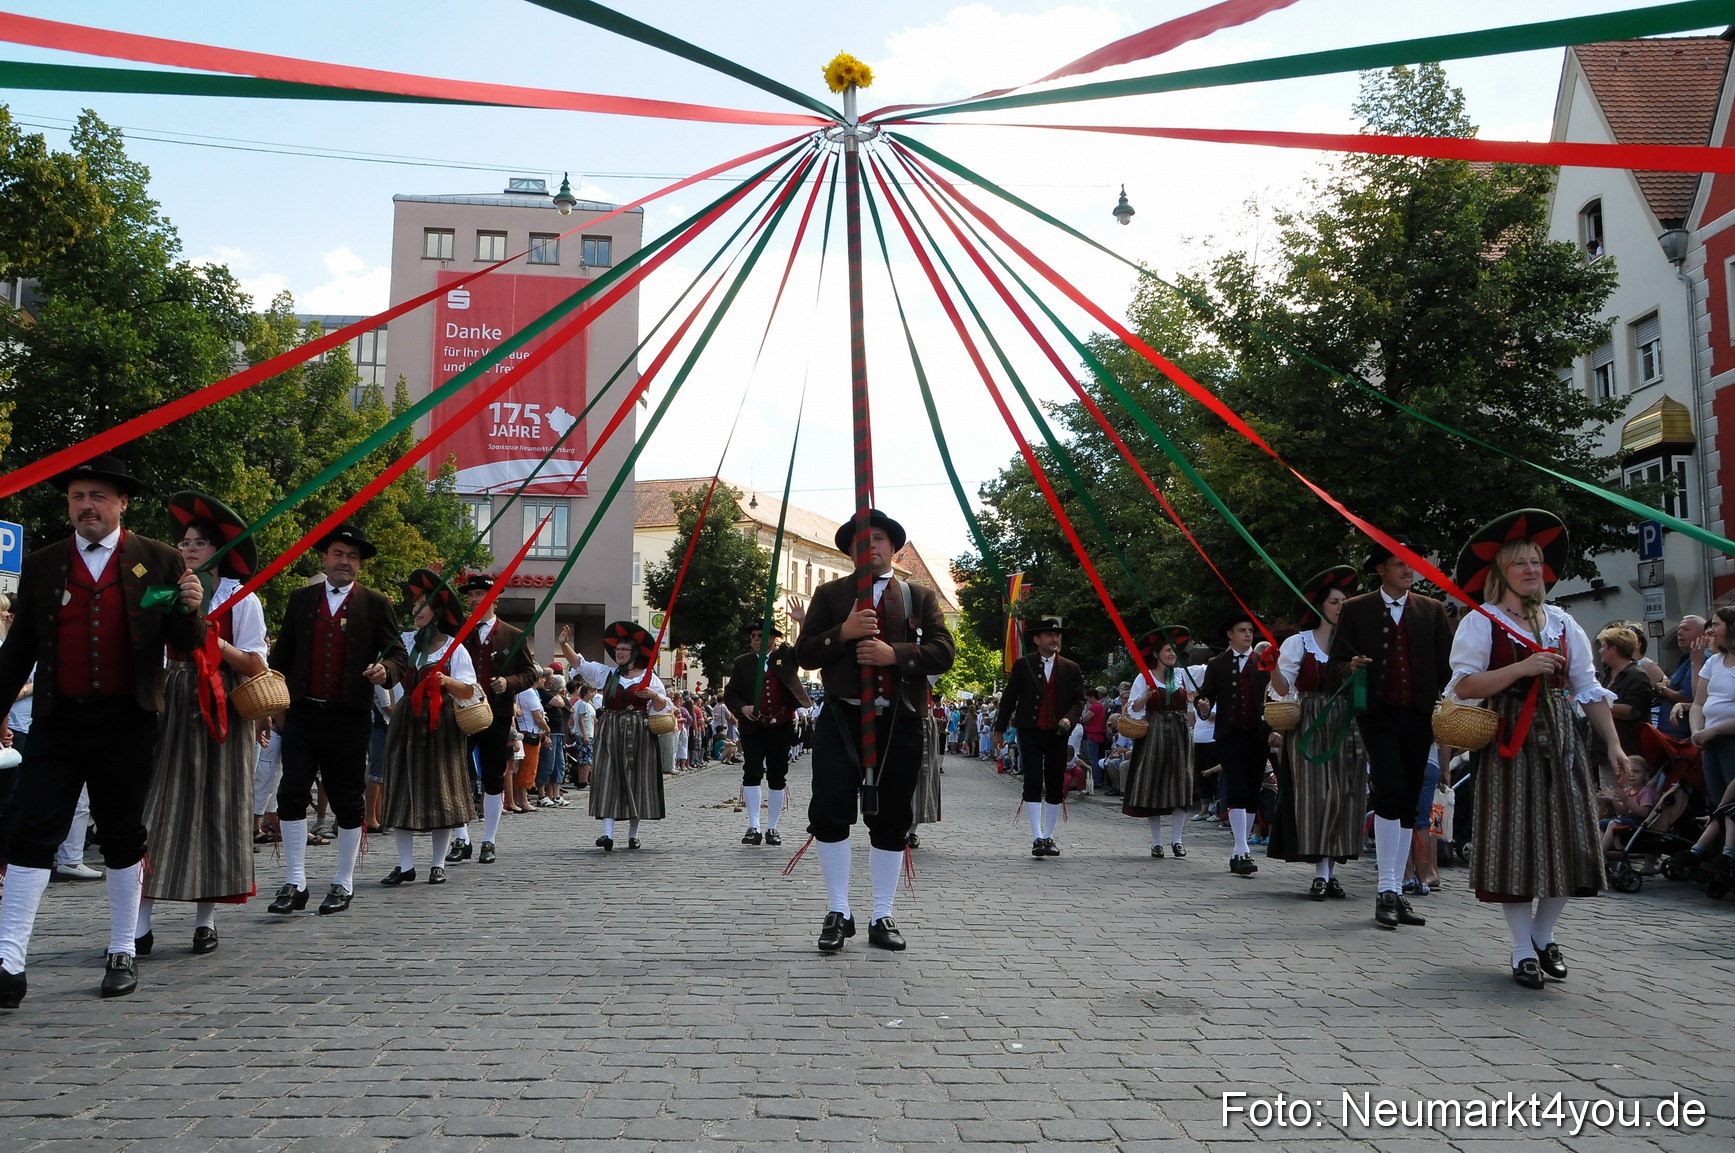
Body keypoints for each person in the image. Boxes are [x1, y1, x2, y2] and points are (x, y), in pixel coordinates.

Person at [0, 455, 204, 1006]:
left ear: (121, 503)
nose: (86, 506)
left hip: (126, 720)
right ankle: (8, 960)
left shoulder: (158, 562)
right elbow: (19, 649)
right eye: (77, 497)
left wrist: (190, 610)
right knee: (31, 829)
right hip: (58, 720)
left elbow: (184, 644)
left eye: (97, 496)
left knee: (120, 833)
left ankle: (122, 947)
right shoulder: (44, 564)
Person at [1448, 509, 1623, 989]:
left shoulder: (1563, 622)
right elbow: (1464, 686)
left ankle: (1545, 935)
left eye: (1537, 562)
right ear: (1500, 572)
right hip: (1509, 743)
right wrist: (1522, 669)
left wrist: (1614, 745)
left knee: (1571, 842)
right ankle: (1522, 947)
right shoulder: (1483, 621)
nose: (1532, 570)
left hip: (1562, 744)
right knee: (1515, 844)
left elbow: (1587, 689)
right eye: (1521, 563)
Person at [795, 510, 954, 953]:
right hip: (842, 721)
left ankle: (882, 912)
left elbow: (943, 652)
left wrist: (894, 654)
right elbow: (805, 653)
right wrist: (842, 633)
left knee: (891, 818)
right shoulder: (831, 594)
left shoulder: (918, 596)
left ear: (892, 546)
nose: (872, 547)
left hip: (899, 719)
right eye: (862, 542)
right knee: (829, 810)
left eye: (880, 539)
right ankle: (838, 909)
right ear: (850, 551)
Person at [136, 492, 270, 957]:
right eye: (185, 541)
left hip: (224, 706)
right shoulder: (162, 591)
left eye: (198, 542)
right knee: (158, 807)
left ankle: (205, 921)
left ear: (218, 551)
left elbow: (256, 663)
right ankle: (138, 924)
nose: (188, 548)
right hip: (171, 698)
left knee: (219, 805)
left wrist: (214, 643)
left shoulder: (241, 599)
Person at [266, 524, 408, 917]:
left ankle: (343, 881)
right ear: (325, 558)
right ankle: (295, 881)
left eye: (352, 557)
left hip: (349, 715)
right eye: (338, 554)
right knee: (291, 791)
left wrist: (386, 670)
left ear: (359, 565)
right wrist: (274, 709)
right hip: (302, 713)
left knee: (347, 797)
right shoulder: (301, 600)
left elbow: (398, 654)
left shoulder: (376, 603)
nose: (344, 562)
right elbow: (281, 659)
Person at [1329, 536, 1452, 929]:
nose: (1407, 569)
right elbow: (1335, 664)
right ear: (1380, 569)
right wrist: (1352, 667)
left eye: (1410, 563)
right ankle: (1385, 888)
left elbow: (1448, 668)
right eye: (1399, 563)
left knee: (1408, 793)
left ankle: (1396, 890)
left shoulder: (1431, 610)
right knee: (1389, 787)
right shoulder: (1356, 609)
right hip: (1378, 713)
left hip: (1419, 714)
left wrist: (1456, 700)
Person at [1266, 567, 1366, 899]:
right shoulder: (1300, 642)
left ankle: (1331, 871)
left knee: (1344, 796)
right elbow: (1282, 688)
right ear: (1320, 606)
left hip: (1348, 723)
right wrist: (1271, 664)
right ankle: (1321, 872)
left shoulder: (1355, 643)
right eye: (1335, 601)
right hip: (1311, 722)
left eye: (1345, 600)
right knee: (1318, 796)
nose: (1341, 605)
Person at [379, 571, 478, 887]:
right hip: (406, 720)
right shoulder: (404, 642)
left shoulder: (454, 648)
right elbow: (390, 672)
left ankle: (438, 864)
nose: (416, 609)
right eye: (415, 604)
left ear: (437, 611)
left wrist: (448, 682)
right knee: (401, 789)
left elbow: (470, 691)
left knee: (442, 791)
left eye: (423, 604)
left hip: (442, 724)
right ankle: (405, 865)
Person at [562, 621, 673, 850]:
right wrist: (563, 644)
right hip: (610, 729)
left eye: (624, 649)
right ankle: (607, 834)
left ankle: (633, 834)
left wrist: (654, 695)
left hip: (639, 731)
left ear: (634, 653)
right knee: (607, 776)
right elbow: (580, 664)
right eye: (617, 649)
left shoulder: (648, 677)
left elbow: (664, 707)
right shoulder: (608, 673)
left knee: (637, 779)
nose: (618, 652)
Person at [450, 576, 536, 866]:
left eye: (480, 594)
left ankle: (489, 839)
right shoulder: (458, 633)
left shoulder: (512, 635)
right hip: (461, 712)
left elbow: (530, 673)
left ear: (493, 599)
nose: (474, 599)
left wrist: (508, 682)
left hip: (496, 714)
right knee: (456, 773)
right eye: (471, 595)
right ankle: (461, 837)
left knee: (493, 776)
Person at [992, 617, 1085, 858]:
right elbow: (1009, 698)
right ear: (1037, 639)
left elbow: (1079, 700)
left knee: (1055, 783)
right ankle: (1036, 837)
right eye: (1049, 635)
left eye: (1057, 636)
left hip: (1058, 732)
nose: (1055, 639)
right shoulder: (1024, 665)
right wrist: (999, 730)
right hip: (1030, 730)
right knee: (1032, 781)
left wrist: (1069, 718)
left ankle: (1049, 836)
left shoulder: (1071, 667)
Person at [1196, 613, 1274, 877]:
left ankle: (1239, 851)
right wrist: (1203, 705)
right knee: (1237, 788)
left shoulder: (1263, 662)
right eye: (1242, 630)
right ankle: (1242, 849)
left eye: (1250, 630)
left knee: (1252, 791)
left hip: (1258, 735)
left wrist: (1275, 729)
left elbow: (1275, 695)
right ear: (1230, 634)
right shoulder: (1217, 663)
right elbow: (1206, 694)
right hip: (1229, 735)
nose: (1248, 635)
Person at [722, 623, 812, 847]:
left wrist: (801, 621)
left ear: (772, 639)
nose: (755, 640)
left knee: (777, 775)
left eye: (760, 636)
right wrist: (742, 708)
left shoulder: (785, 657)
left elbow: (804, 650)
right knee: (751, 771)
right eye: (752, 636)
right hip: (753, 727)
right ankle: (754, 826)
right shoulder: (742, 663)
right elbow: (730, 693)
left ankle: (772, 826)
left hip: (780, 725)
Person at [1121, 628, 1196, 859]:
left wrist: (1194, 705)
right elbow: (1132, 710)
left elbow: (1191, 715)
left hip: (1179, 734)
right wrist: (1145, 696)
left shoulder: (1183, 676)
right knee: (1153, 786)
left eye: (1174, 650)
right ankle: (1156, 842)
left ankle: (1177, 840)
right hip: (1154, 735)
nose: (1173, 654)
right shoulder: (1145, 676)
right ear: (1157, 653)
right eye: (1168, 650)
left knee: (1180, 785)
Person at [1688, 604, 1735, 809]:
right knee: (1717, 800)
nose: (1711, 630)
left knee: (1731, 801)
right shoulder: (1714, 661)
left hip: (1730, 740)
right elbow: (1698, 702)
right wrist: (1697, 731)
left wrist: (1714, 730)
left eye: (1716, 624)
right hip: (1710, 742)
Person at [1597, 626, 1656, 765]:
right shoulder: (1606, 674)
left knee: (1626, 787)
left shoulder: (1637, 676)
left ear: (1614, 649)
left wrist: (1598, 706)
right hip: (1603, 753)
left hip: (1629, 752)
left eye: (1603, 646)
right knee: (1606, 787)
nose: (1600, 650)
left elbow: (1632, 711)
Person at [1655, 616, 1706, 739]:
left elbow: (1687, 698)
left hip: (1682, 736)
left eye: (1686, 629)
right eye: (1679, 629)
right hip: (1671, 734)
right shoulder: (1686, 659)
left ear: (1702, 634)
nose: (1679, 632)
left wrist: (1662, 690)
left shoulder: (1701, 660)